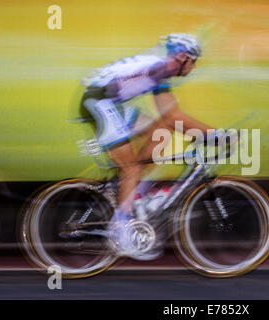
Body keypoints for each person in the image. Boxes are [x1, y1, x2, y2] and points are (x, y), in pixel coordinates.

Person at [81, 33, 215, 259]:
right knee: (131, 167)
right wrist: (213, 134)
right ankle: (122, 231)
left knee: (159, 131)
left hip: (108, 101)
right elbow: (173, 116)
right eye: (193, 61)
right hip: (99, 103)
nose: (193, 66)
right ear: (182, 57)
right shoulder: (160, 69)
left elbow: (169, 121)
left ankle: (131, 189)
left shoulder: (159, 67)